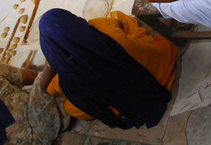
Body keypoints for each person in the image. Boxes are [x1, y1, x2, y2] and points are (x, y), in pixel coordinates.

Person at [38, 8, 177, 129]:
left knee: (71, 106)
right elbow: (121, 23)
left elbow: (44, 88)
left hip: (127, 98)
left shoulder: (67, 76)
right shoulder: (97, 26)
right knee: (117, 16)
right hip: (156, 67)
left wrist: (53, 63)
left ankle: (116, 107)